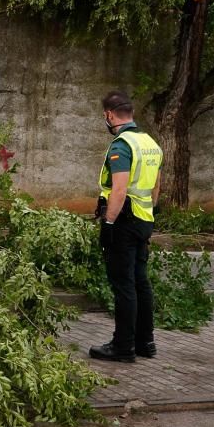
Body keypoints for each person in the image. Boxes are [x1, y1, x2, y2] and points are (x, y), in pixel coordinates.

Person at [89, 91, 163, 363]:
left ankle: (123, 347)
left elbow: (119, 190)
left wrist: (108, 223)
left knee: (124, 285)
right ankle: (146, 342)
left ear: (109, 115)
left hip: (124, 222)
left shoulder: (122, 146)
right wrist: (148, 216)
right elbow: (155, 188)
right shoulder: (150, 144)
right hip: (144, 220)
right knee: (141, 282)